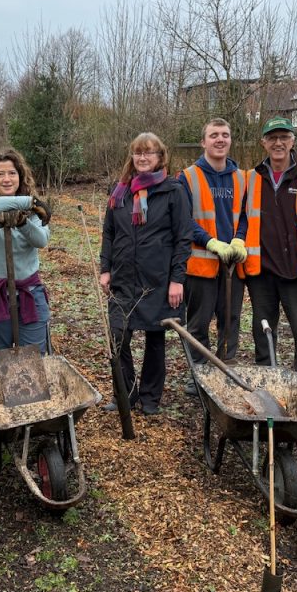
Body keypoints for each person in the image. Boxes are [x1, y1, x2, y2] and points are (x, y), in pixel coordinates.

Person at [100, 133, 191, 415]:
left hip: (157, 280)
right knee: (118, 336)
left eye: (149, 153)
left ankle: (151, 398)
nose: (142, 158)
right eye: (138, 153)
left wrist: (177, 279)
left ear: (160, 157)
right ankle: (125, 394)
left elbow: (183, 238)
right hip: (124, 279)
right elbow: (109, 233)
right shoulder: (120, 192)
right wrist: (106, 268)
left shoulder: (173, 191)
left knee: (155, 340)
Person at [243, 115, 297, 387]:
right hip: (262, 274)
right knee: (264, 334)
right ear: (263, 143)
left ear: (293, 141)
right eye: (272, 138)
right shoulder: (251, 178)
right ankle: (268, 386)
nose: (278, 143)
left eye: (284, 137)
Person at [177, 117, 248, 395]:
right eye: (214, 135)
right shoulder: (187, 177)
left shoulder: (241, 178)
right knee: (198, 324)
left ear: (231, 140)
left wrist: (239, 238)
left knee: (230, 320)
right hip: (201, 265)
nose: (220, 140)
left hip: (231, 264)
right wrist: (210, 242)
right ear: (203, 141)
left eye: (225, 135)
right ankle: (199, 375)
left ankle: (226, 371)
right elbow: (184, 220)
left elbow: (246, 215)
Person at [0, 148, 51, 360]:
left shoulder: (34, 212)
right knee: (1, 360)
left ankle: (34, 393)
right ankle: (3, 394)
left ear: (20, 176)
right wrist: (28, 202)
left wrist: (22, 222)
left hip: (29, 293)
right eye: (0, 174)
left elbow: (41, 240)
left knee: (34, 358)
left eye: (12, 173)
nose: (6, 179)